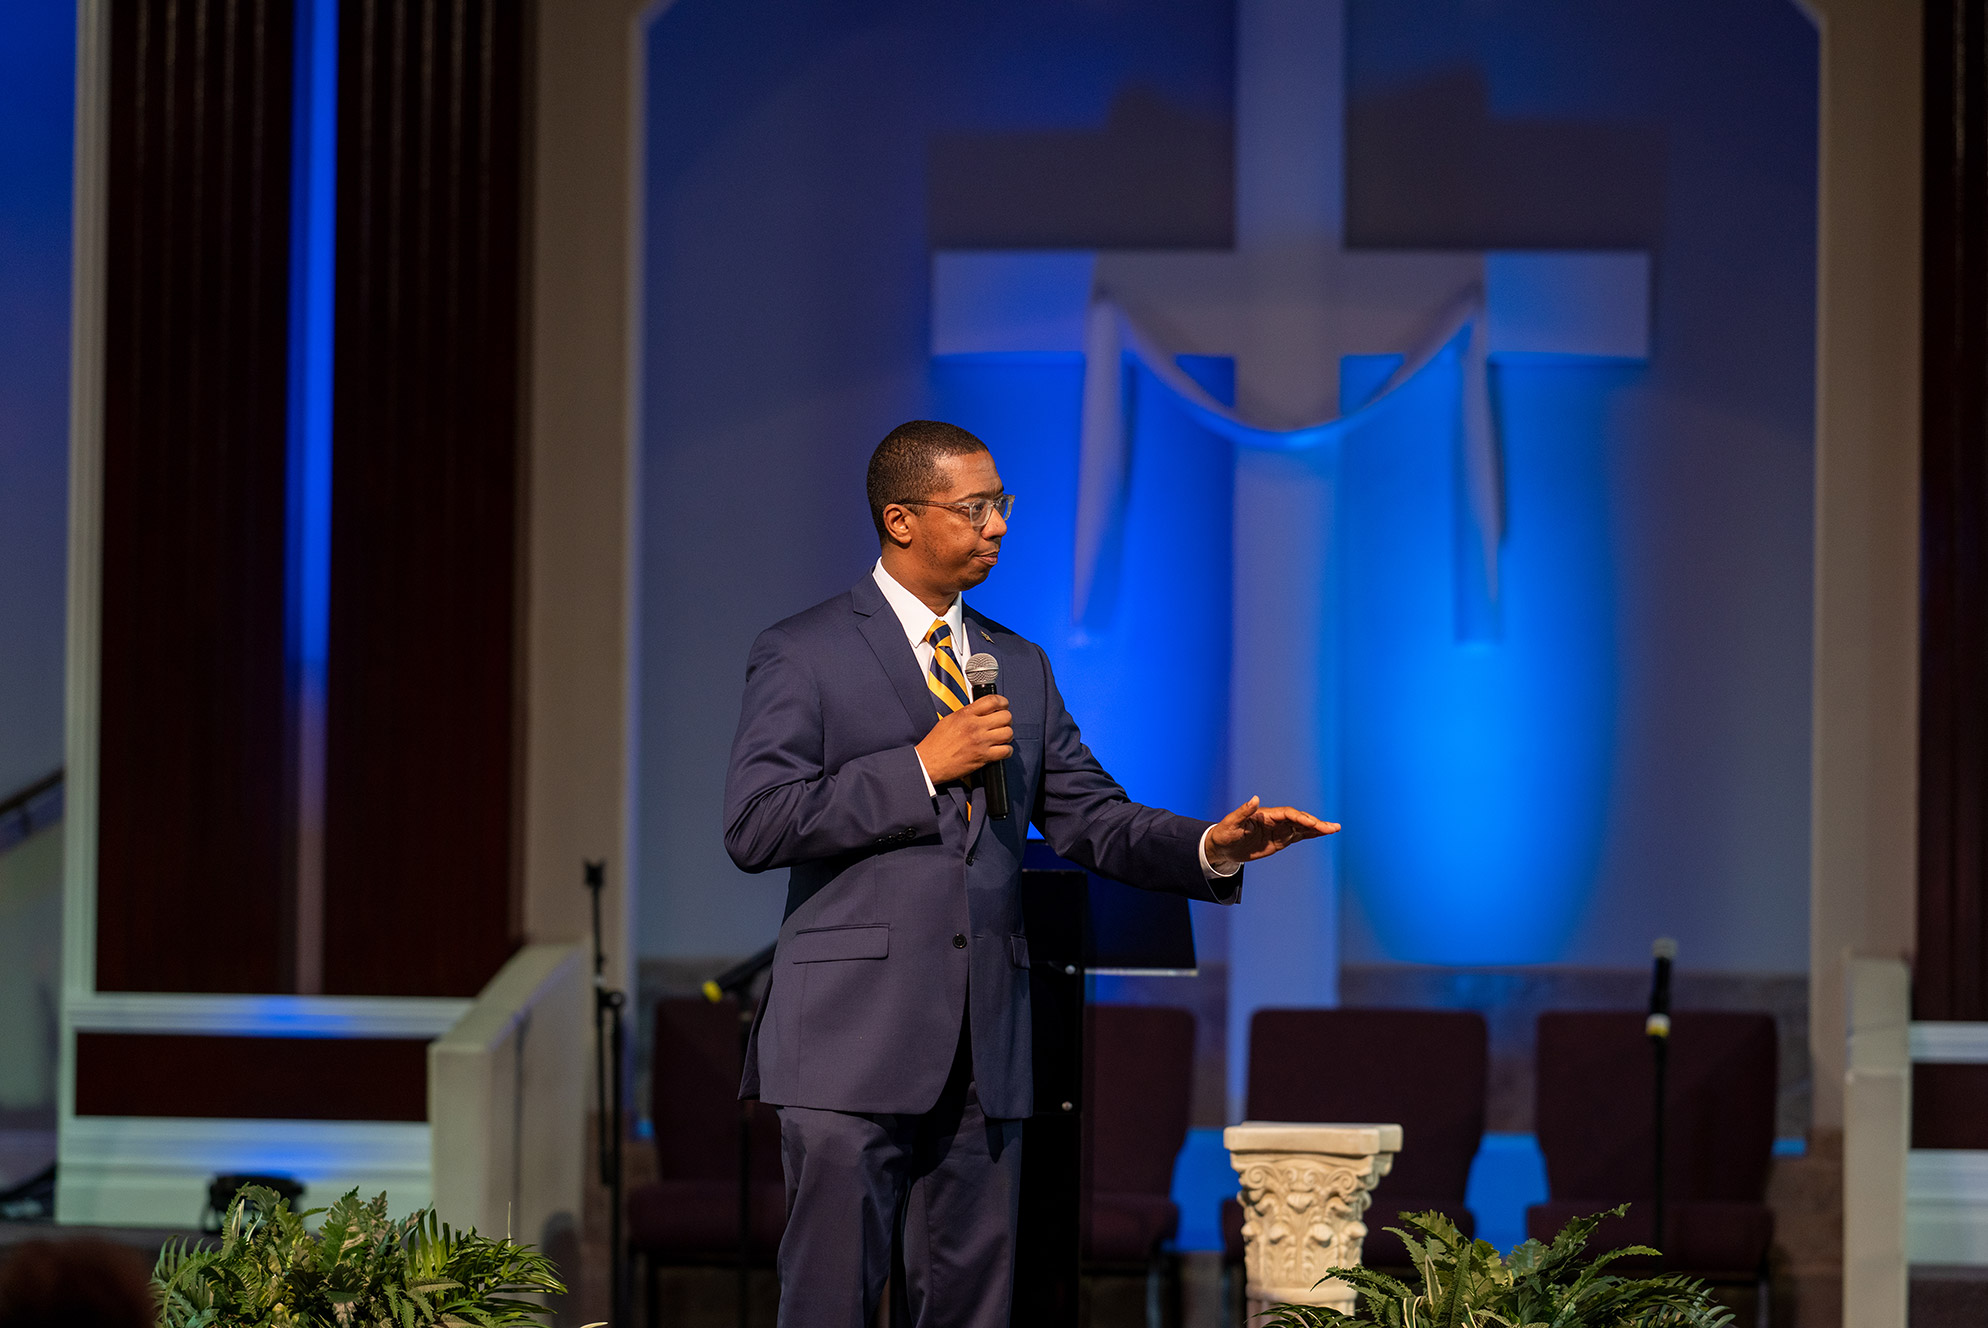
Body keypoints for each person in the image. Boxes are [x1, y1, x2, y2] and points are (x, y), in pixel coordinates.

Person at [723, 419, 1337, 1327]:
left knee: (975, 1309)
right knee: (828, 1306)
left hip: (987, 1045)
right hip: (845, 1049)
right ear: (900, 519)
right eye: (974, 508)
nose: (998, 526)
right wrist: (923, 765)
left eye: (1000, 504)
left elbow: (1091, 815)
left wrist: (1213, 846)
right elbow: (755, 822)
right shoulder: (803, 651)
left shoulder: (1019, 663)